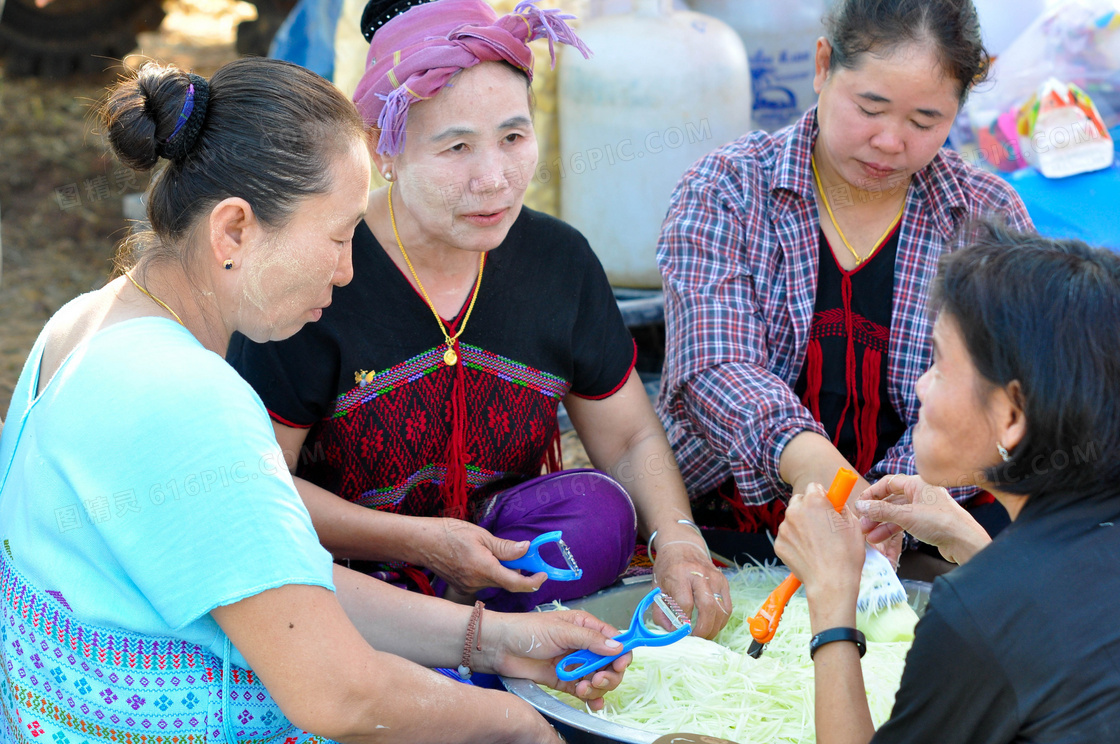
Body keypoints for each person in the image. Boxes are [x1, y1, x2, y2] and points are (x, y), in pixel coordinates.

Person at [0, 57, 631, 744]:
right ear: (233, 231)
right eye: (337, 236)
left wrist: (497, 641)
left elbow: (286, 594)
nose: (348, 269)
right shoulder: (192, 402)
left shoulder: (82, 325)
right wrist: (519, 726)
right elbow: (341, 696)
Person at [228, 0, 731, 637]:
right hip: (350, 569)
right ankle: (463, 643)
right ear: (385, 149)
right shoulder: (319, 272)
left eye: (514, 138)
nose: (493, 179)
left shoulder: (559, 260)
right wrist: (417, 542)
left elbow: (629, 438)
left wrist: (679, 539)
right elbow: (260, 486)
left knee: (599, 513)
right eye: (457, 147)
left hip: (498, 559)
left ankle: (470, 641)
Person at [655, 0, 1033, 563]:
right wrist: (819, 469)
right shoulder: (728, 189)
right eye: (870, 107)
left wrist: (893, 505)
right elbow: (715, 367)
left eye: (924, 121)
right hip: (741, 525)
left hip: (933, 527)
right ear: (823, 65)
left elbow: (1001, 389)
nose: (889, 141)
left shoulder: (984, 215)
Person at [774, 222, 1120, 743]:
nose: (921, 383)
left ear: (1011, 415)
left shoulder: (972, 614)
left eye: (938, 362)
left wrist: (830, 600)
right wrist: (968, 540)